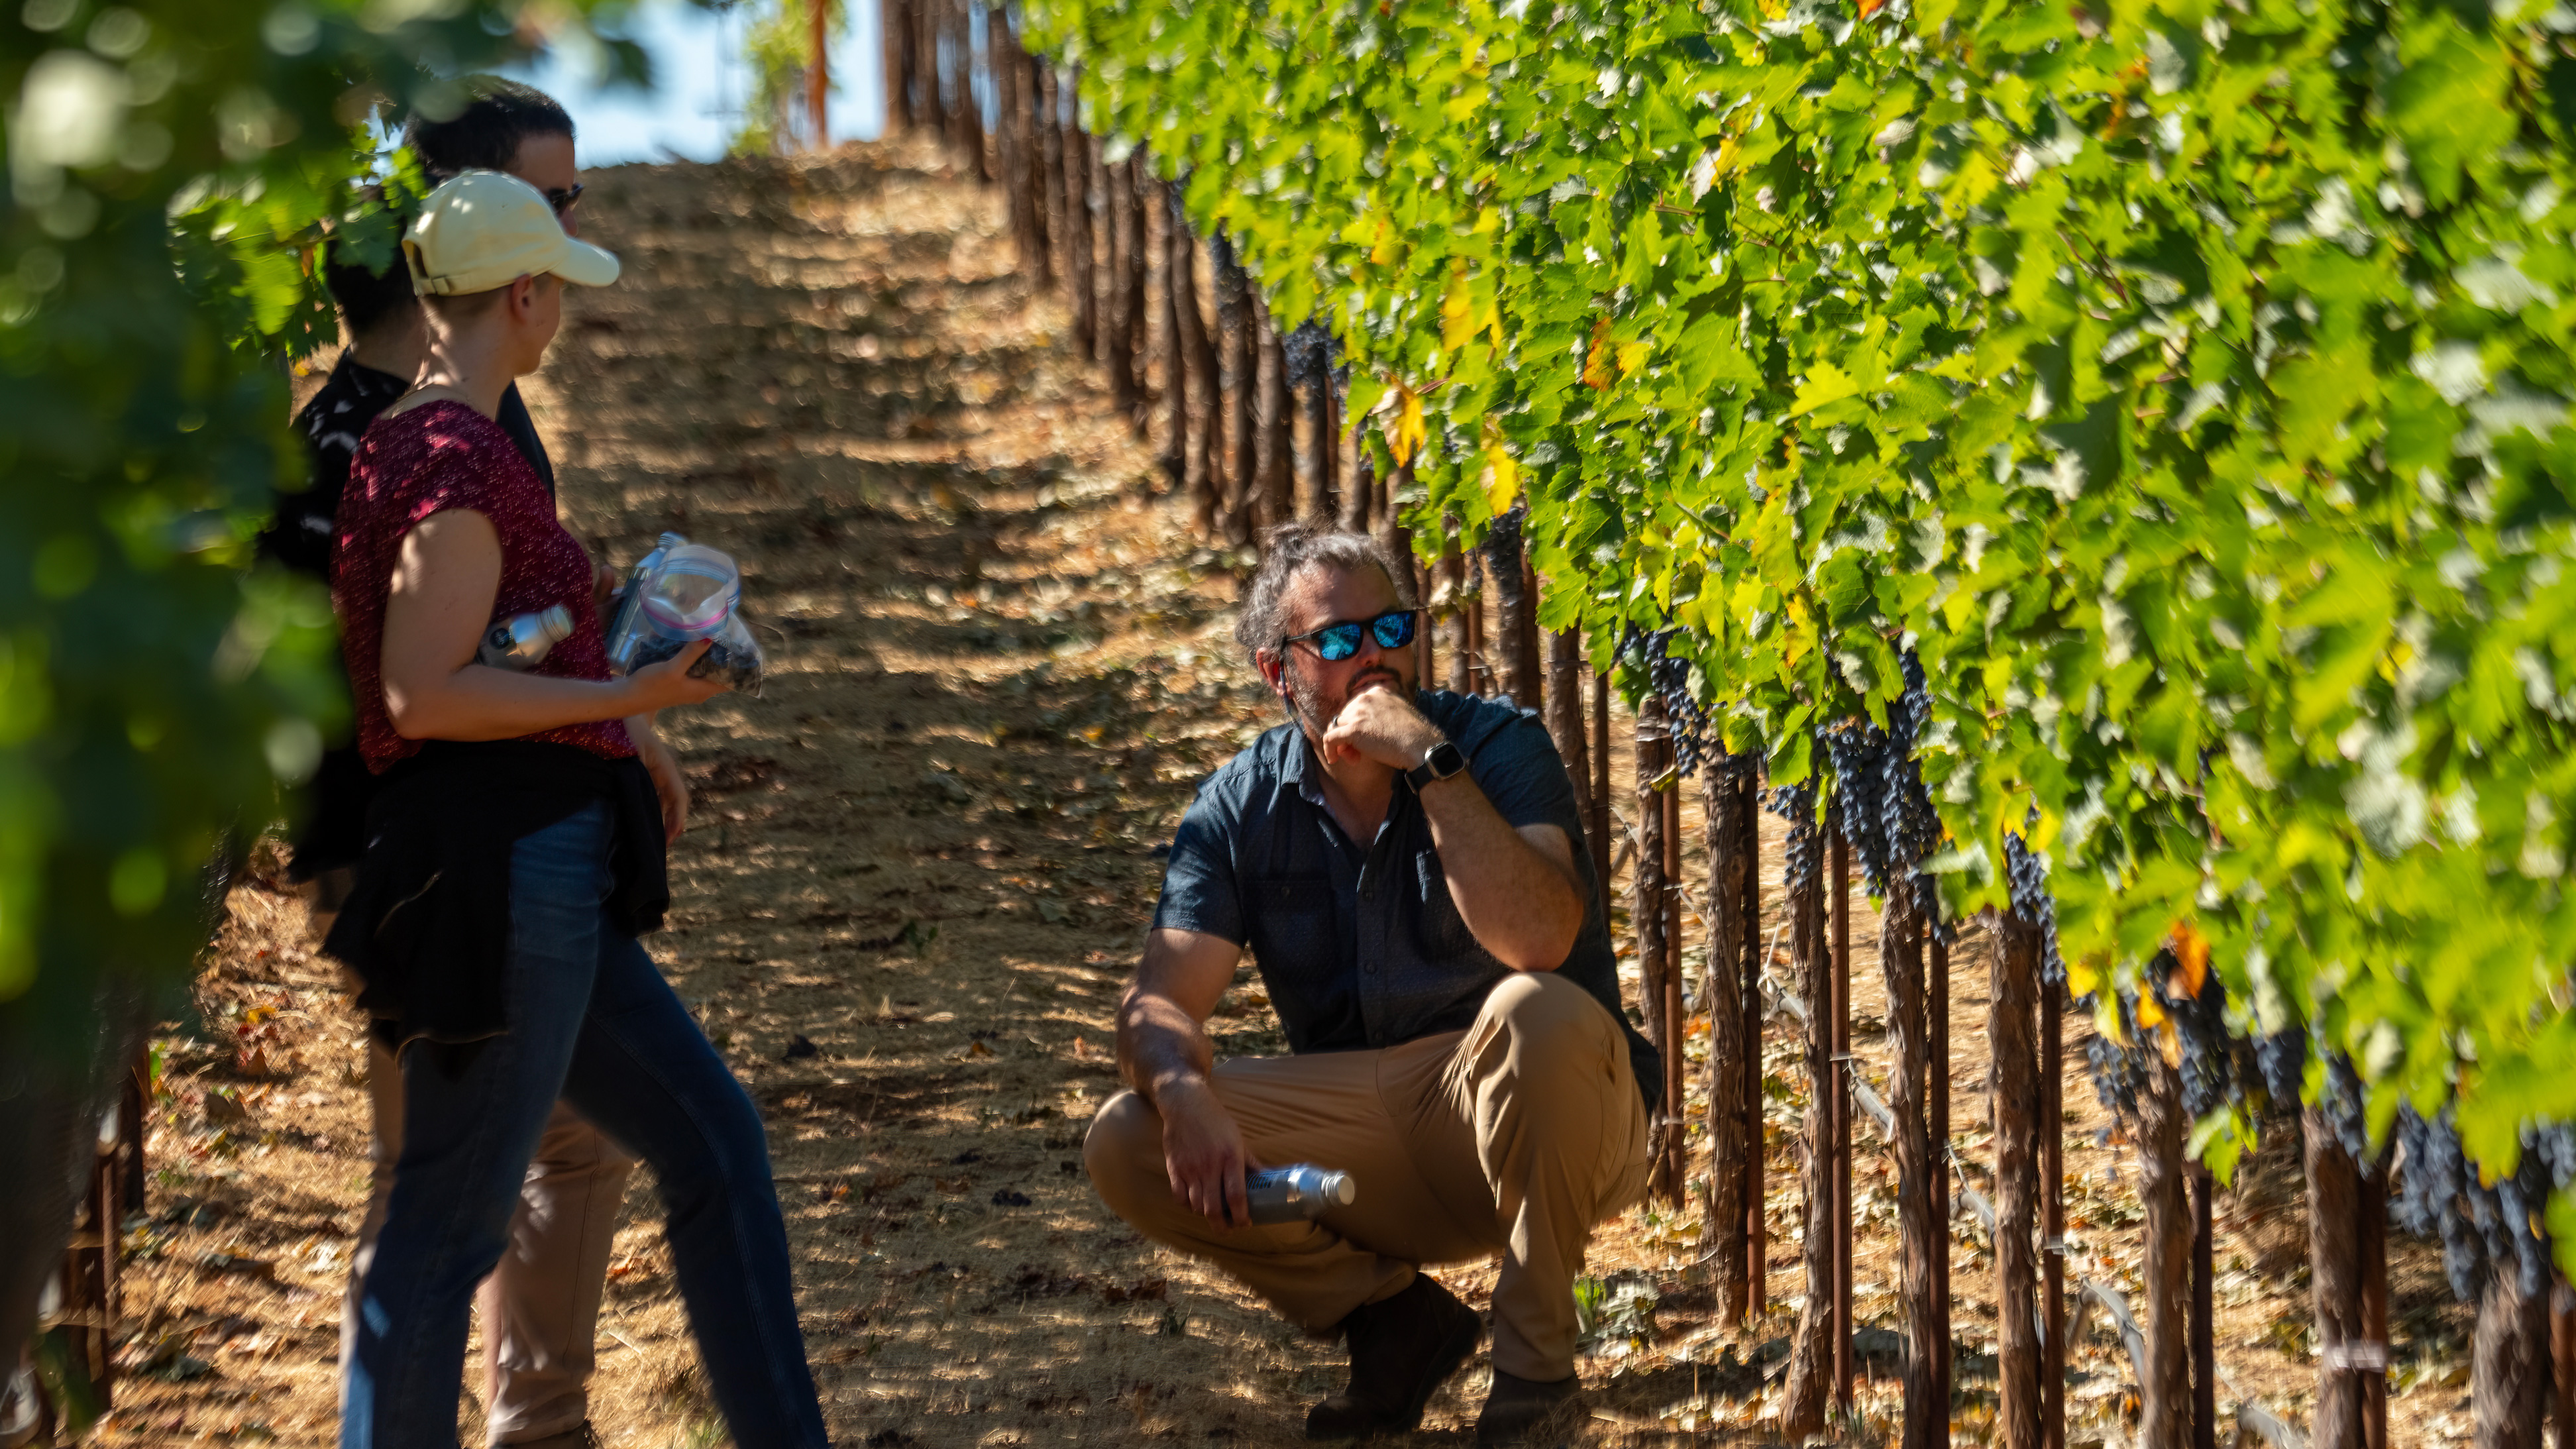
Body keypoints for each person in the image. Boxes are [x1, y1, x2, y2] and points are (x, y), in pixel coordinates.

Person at [325, 170, 827, 1449]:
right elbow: (424, 692)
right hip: (507, 877)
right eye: (559, 291)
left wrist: (619, 693)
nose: (564, 318)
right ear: (527, 293)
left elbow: (490, 647)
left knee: (715, 1145)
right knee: (448, 1226)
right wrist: (621, 686)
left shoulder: (435, 440)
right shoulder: (450, 456)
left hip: (537, 868)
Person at [274, 78, 661, 1449]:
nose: (571, 233)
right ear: (477, 221)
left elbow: (520, 631)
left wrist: (624, 720)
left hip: (502, 840)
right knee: (440, 1179)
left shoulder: (481, 406)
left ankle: (537, 1423)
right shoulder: (366, 441)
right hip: (422, 859)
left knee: (567, 1139)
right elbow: (396, 685)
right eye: (554, 206)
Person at [1085, 523, 1660, 1446]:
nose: (1377, 657)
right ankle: (1395, 1323)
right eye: (1342, 641)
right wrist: (1183, 1087)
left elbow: (1540, 935)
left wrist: (1431, 766)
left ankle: (1535, 1379)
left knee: (1533, 1008)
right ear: (1281, 675)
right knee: (1125, 1136)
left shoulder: (1495, 747)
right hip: (1378, 1144)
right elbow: (1157, 1004)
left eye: (1392, 628)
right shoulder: (1238, 806)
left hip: (1551, 1115)